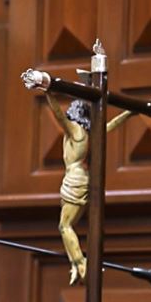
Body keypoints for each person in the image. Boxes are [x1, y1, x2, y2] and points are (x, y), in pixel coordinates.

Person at [44, 93, 133, 285]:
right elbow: (112, 124)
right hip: (85, 179)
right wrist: (129, 113)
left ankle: (81, 264)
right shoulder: (93, 133)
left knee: (65, 226)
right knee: (67, 224)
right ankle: (75, 265)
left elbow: (58, 114)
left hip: (74, 180)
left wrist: (48, 92)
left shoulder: (76, 131)